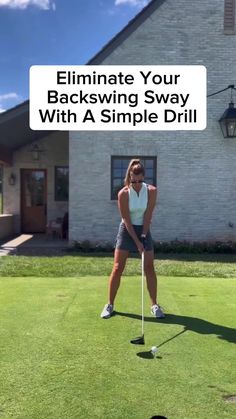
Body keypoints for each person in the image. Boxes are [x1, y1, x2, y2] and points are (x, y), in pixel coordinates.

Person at [101, 158, 165, 319]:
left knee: (149, 268)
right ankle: (109, 305)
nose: (136, 184)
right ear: (129, 177)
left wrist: (143, 235)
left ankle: (154, 305)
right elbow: (126, 220)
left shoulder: (151, 191)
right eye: (133, 180)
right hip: (126, 230)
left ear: (144, 177)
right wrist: (137, 242)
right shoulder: (123, 194)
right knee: (117, 268)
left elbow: (148, 215)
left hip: (144, 228)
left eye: (139, 180)